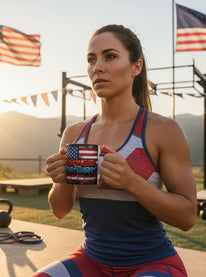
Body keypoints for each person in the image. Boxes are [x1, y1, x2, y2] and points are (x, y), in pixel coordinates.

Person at [34, 24, 197, 277]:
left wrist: (132, 182)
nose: (97, 67)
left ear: (136, 67)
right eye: (91, 59)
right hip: (91, 261)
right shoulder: (74, 134)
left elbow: (187, 217)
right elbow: (60, 210)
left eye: (110, 56)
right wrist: (61, 181)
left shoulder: (164, 130)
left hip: (151, 263)